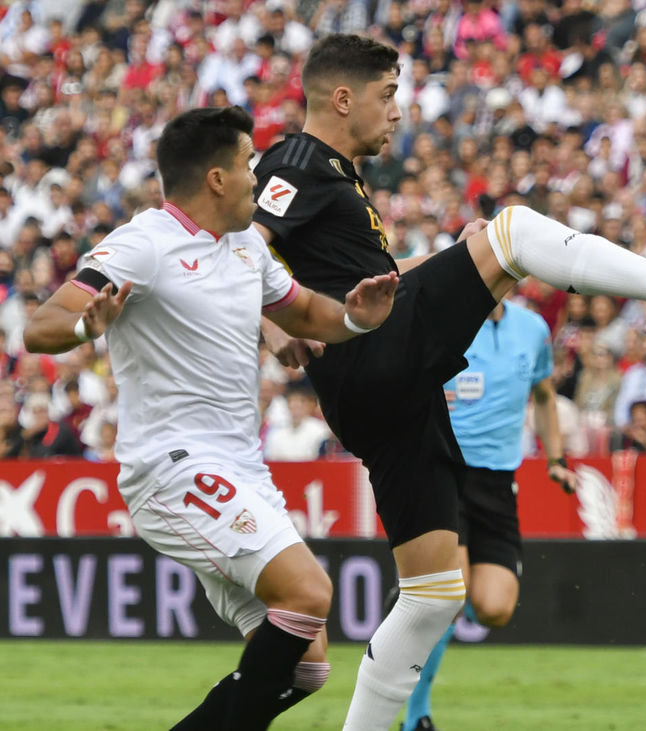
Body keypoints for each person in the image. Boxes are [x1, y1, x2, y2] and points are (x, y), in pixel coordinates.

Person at [250, 34, 646, 730]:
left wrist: (453, 258)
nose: (399, 111)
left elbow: (337, 268)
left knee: (432, 594)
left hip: (388, 399)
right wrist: (277, 328)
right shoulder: (298, 159)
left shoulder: (341, 177)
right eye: (388, 96)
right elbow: (234, 242)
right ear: (342, 99)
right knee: (511, 234)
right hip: (367, 358)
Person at [23, 106, 400, 731]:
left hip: (240, 468)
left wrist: (359, 316)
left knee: (305, 666)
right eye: (249, 163)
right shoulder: (143, 243)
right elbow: (43, 326)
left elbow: (304, 311)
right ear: (218, 178)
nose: (259, 176)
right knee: (308, 593)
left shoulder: (247, 244)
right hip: (171, 469)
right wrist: (83, 326)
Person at [402, 299, 578, 730]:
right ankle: (415, 716)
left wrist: (555, 459)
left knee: (494, 608)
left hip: (498, 483)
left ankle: (407, 609)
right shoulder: (444, 317)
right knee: (449, 598)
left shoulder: (533, 329)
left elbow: (543, 395)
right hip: (444, 470)